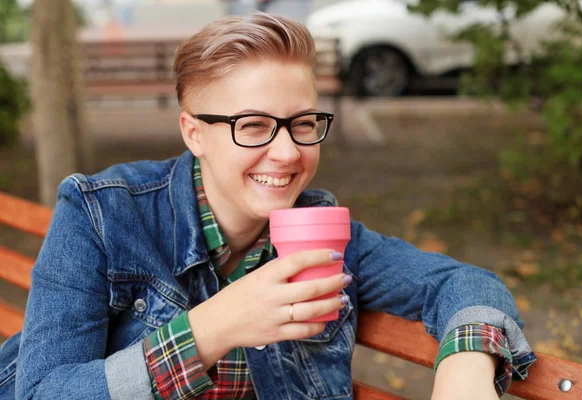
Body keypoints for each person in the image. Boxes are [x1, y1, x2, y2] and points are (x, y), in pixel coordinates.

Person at [0, 13, 536, 400]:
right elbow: (43, 390)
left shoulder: (325, 237)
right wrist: (213, 329)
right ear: (194, 133)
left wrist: (465, 368)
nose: (288, 152)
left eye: (303, 123)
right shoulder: (103, 217)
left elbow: (464, 283)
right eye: (252, 125)